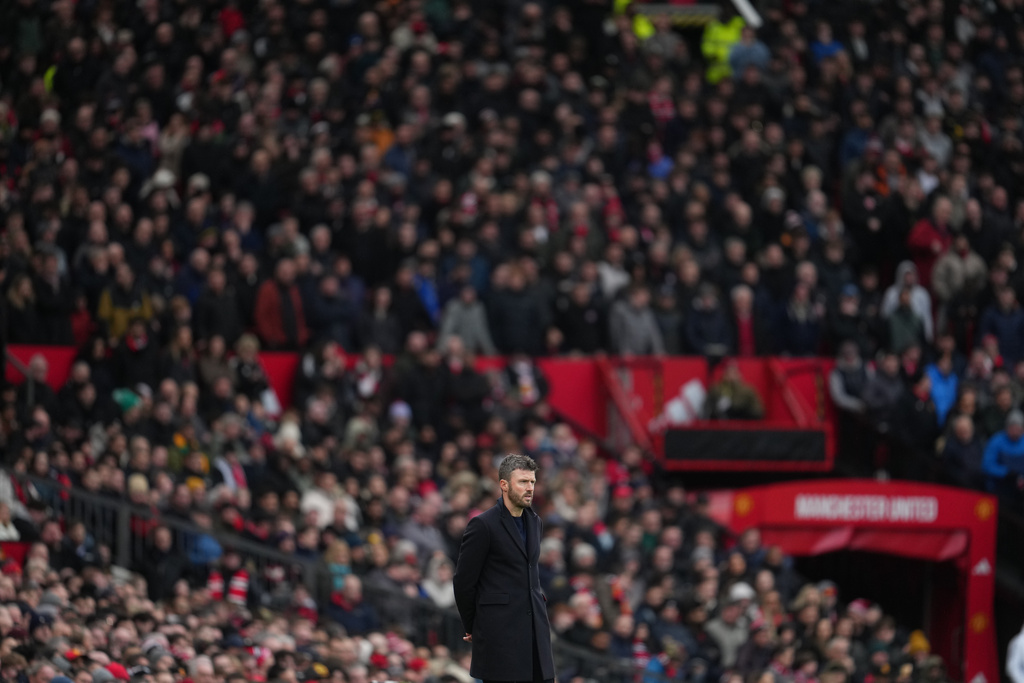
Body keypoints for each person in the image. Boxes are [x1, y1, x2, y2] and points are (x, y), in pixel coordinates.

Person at [453, 454, 555, 683]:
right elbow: (463, 582)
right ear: (504, 485)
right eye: (523, 482)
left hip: (535, 633)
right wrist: (472, 626)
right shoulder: (482, 525)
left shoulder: (536, 521)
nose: (530, 488)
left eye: (532, 482)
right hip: (500, 636)